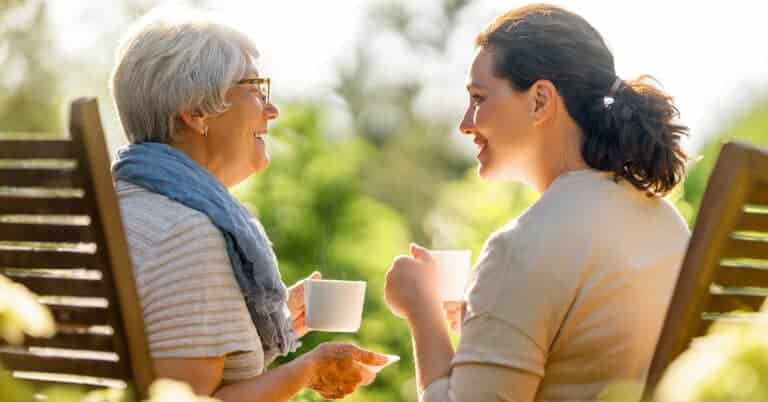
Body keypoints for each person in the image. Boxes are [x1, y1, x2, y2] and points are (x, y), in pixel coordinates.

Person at [384, 4, 691, 402]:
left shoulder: (523, 247)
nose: (465, 122)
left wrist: (421, 310)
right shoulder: (665, 222)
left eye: (479, 98)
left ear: (540, 100)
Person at [109, 9, 386, 402]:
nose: (272, 111)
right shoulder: (190, 235)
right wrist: (308, 369)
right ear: (197, 112)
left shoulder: (124, 209)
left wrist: (269, 318)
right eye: (256, 89)